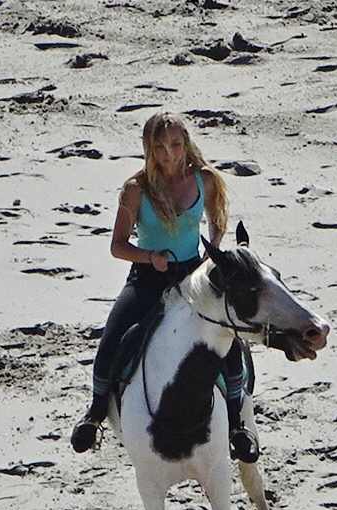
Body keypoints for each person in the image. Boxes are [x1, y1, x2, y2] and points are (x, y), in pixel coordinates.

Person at [70, 112, 259, 462]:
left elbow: (218, 217)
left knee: (228, 338)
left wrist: (212, 249)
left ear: (186, 142)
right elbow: (117, 245)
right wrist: (148, 256)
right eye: (160, 147)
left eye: (175, 144)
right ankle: (95, 413)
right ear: (149, 149)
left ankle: (236, 424)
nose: (169, 154)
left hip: (193, 277)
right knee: (113, 338)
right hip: (149, 277)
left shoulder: (204, 180)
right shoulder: (136, 189)